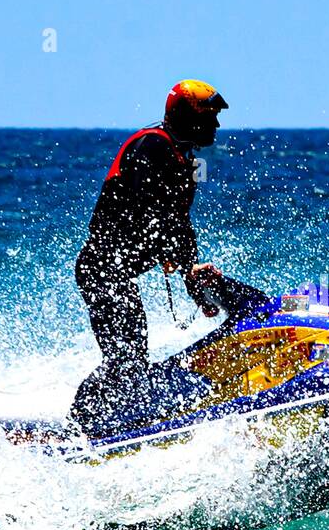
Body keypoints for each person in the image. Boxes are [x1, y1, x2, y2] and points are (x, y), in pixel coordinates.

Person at [70, 79, 228, 436]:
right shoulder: (153, 146)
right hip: (101, 270)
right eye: (209, 117)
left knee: (133, 359)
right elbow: (151, 209)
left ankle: (112, 422)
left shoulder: (180, 155)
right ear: (186, 116)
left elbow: (178, 222)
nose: (216, 126)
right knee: (126, 360)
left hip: (116, 274)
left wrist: (190, 270)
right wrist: (177, 257)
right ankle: (80, 425)